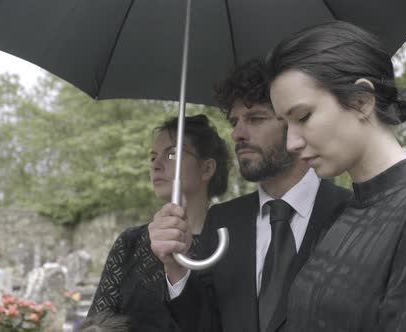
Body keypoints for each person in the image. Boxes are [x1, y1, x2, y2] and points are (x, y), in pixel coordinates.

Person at [266, 21, 406, 331]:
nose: (291, 143)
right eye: (286, 125)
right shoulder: (341, 212)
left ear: (361, 100)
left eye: (303, 117)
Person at [151, 59, 351, 332]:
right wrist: (175, 268)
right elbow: (202, 325)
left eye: (255, 118)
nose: (237, 134)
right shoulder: (222, 220)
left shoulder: (353, 213)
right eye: (234, 122)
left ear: (295, 122)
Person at [88, 114, 230, 331]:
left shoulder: (229, 246)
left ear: (207, 169)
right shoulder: (130, 243)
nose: (156, 165)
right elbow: (98, 321)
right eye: (153, 157)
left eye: (172, 154)